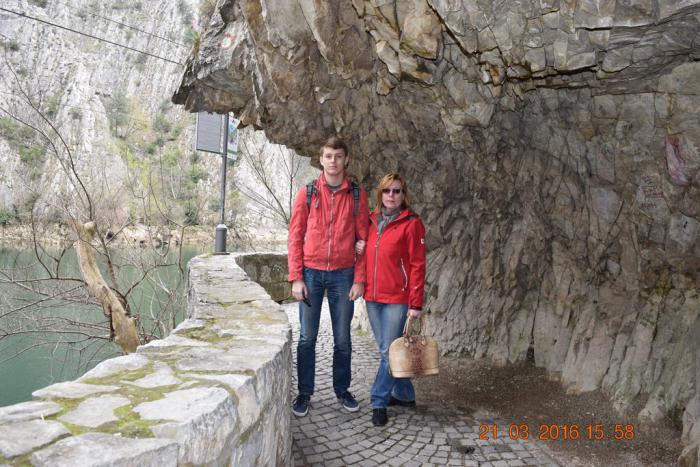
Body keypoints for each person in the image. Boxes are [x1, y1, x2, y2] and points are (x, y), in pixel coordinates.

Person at [287, 136, 369, 417]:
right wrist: (296, 277)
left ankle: (342, 390)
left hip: (343, 274)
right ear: (321, 160)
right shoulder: (308, 192)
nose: (333, 161)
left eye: (338, 156)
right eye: (328, 156)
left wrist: (359, 279)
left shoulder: (356, 195)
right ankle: (304, 393)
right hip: (311, 272)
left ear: (346, 160)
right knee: (307, 338)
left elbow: (364, 239)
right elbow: (295, 236)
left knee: (342, 339)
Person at [358, 172, 426, 426]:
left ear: (403, 195)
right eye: (387, 190)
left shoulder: (412, 223)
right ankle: (405, 395)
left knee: (388, 351)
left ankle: (379, 401)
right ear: (380, 194)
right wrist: (358, 247)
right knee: (387, 349)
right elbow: (362, 250)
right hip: (373, 297)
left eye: (397, 191)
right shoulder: (371, 220)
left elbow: (418, 264)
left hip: (398, 297)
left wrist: (415, 304)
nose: (391, 195)